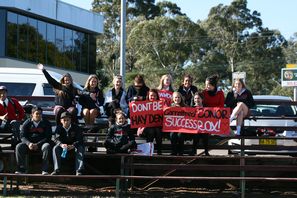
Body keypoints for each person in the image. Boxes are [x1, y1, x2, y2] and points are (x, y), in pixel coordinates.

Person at [15, 106, 52, 175]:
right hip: (29, 145)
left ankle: (45, 170)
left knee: (47, 146)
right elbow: (22, 136)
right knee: (19, 146)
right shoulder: (26, 123)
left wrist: (38, 144)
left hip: (41, 144)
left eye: (40, 114)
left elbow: (48, 137)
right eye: (37, 113)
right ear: (32, 114)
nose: (39, 115)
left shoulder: (46, 123)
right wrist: (29, 143)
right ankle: (21, 169)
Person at [202, 74, 225, 156]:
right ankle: (205, 151)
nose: (206, 86)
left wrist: (214, 111)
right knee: (205, 132)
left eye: (208, 85)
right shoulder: (204, 92)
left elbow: (221, 106)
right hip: (206, 117)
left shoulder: (220, 93)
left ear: (213, 85)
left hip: (217, 117)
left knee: (231, 134)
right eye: (205, 85)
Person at [137, 89, 163, 155]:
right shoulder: (143, 105)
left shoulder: (160, 105)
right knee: (151, 130)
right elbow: (140, 118)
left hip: (157, 127)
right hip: (146, 128)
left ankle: (159, 151)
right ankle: (149, 151)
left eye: (154, 96)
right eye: (151, 95)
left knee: (157, 130)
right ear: (148, 96)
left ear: (157, 96)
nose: (153, 97)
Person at [191, 92, 209, 156]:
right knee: (196, 134)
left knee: (205, 134)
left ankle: (206, 152)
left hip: (204, 128)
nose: (196, 100)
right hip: (194, 128)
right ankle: (193, 151)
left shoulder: (207, 108)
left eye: (198, 98)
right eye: (195, 98)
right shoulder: (191, 108)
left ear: (202, 99)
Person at [170, 92, 186, 156]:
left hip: (183, 128)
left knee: (180, 135)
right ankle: (174, 151)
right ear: (173, 99)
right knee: (172, 134)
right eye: (175, 97)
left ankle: (180, 152)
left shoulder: (186, 106)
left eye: (178, 97)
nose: (177, 99)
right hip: (173, 127)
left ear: (181, 98)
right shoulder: (169, 107)